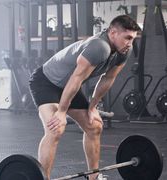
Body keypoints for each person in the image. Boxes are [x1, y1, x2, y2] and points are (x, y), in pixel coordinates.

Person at [29, 15, 141, 180]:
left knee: (94, 126)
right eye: (127, 38)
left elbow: (108, 79)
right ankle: (42, 178)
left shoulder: (124, 51)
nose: (130, 43)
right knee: (55, 129)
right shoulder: (99, 47)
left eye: (133, 39)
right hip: (46, 82)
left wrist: (92, 107)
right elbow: (77, 79)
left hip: (68, 86)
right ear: (113, 32)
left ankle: (93, 177)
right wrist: (61, 112)